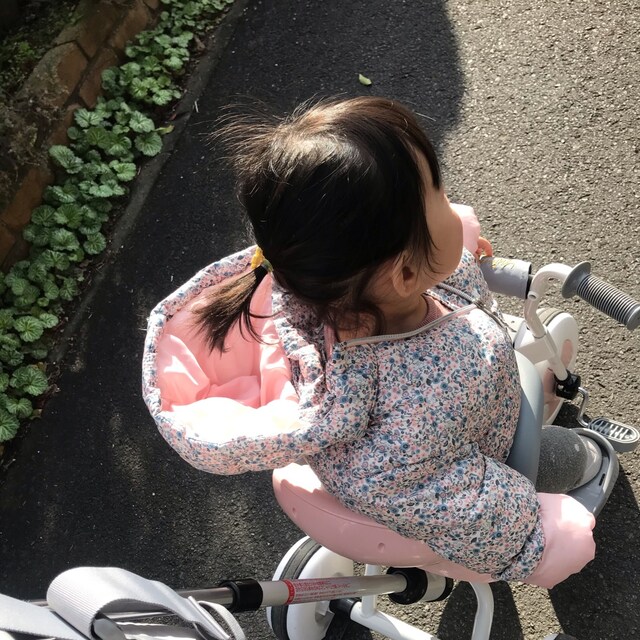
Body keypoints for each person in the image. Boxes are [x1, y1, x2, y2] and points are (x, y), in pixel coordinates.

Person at [142, 96, 596, 588]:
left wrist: (456, 248)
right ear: (405, 272)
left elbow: (429, 270)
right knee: (574, 457)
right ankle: (590, 463)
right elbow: (466, 508)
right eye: (440, 197)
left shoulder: (335, 291)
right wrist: (537, 540)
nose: (452, 205)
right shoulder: (404, 427)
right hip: (488, 450)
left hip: (462, 426)